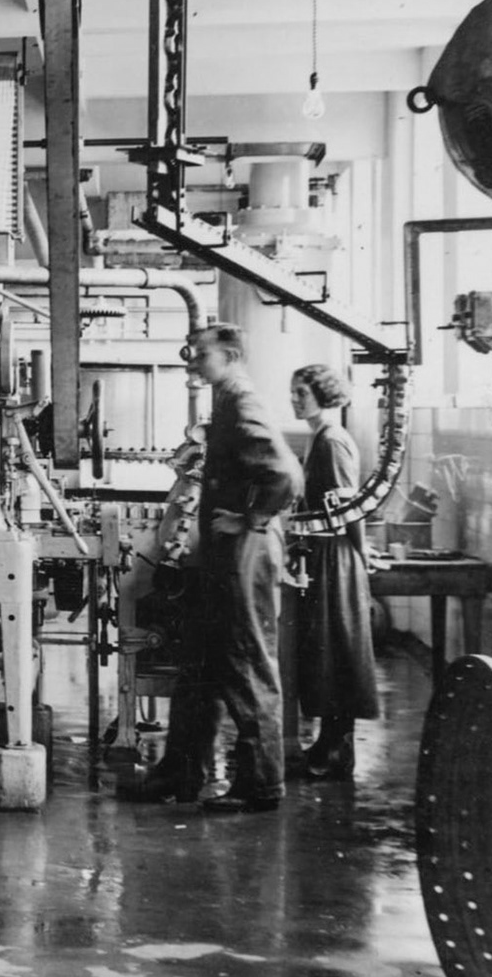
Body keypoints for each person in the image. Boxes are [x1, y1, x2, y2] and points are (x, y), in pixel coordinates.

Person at [125, 323, 302, 812]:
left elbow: (286, 476)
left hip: (244, 556)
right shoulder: (227, 401)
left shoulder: (243, 402)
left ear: (232, 354)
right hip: (224, 560)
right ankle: (181, 772)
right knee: (199, 665)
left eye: (201, 354)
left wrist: (250, 517)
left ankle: (261, 785)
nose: (192, 362)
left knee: (245, 663)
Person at [288, 363, 378, 780]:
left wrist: (361, 555)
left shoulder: (333, 441)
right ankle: (328, 745)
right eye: (293, 392)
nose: (294, 399)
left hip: (336, 556)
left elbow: (348, 509)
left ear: (323, 395)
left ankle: (336, 750)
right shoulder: (321, 437)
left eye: (301, 393)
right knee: (326, 652)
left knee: (337, 651)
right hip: (325, 553)